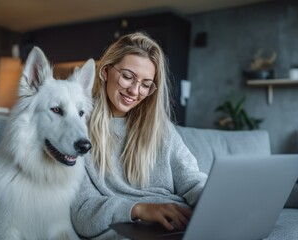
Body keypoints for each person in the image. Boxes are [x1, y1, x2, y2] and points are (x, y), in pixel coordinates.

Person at [71, 32, 207, 239]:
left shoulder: (161, 129)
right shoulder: (79, 129)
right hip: (129, 226)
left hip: (179, 221)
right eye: (127, 76)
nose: (135, 91)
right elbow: (83, 213)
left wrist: (217, 202)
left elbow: (193, 182)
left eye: (145, 84)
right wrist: (139, 209)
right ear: (106, 71)